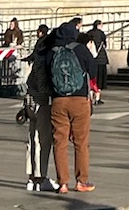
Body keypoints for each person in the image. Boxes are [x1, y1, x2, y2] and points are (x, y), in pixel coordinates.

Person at [47, 20, 99, 191]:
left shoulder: (51, 52)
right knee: (81, 142)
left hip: (58, 100)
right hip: (79, 101)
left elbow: (47, 75)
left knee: (60, 143)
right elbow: (93, 71)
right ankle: (81, 181)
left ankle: (63, 183)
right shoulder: (80, 49)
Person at [22, 26, 58, 193]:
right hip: (41, 103)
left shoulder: (36, 57)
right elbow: (43, 86)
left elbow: (30, 82)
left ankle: (30, 178)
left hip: (30, 100)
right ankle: (40, 177)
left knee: (32, 139)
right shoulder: (44, 60)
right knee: (43, 141)